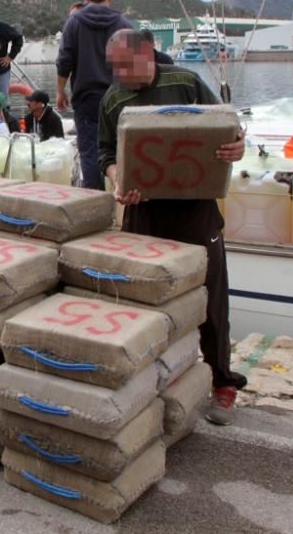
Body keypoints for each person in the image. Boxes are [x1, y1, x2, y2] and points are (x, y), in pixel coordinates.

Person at [98, 28, 247, 426]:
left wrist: (239, 146)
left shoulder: (184, 81)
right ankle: (153, 380)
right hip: (144, 214)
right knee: (145, 301)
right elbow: (105, 153)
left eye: (126, 66)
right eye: (115, 68)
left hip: (196, 211)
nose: (121, 75)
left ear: (148, 54)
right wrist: (118, 178)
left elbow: (229, 128)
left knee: (211, 301)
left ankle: (223, 382)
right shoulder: (114, 98)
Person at [56, 0, 133, 189]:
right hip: (119, 99)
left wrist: (60, 91)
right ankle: (123, 198)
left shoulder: (74, 23)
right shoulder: (124, 25)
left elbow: (64, 61)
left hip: (87, 98)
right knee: (121, 151)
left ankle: (94, 204)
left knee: (90, 152)